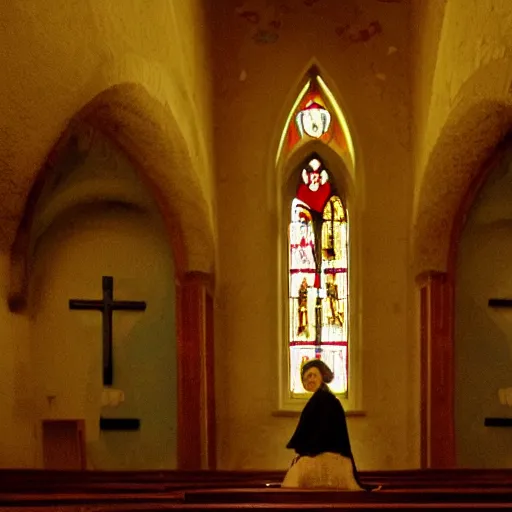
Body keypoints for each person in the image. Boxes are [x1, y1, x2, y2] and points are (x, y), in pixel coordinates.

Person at [282, 359, 376, 490]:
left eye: (313, 375)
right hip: (325, 456)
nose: (309, 380)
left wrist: (307, 451)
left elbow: (323, 432)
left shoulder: (324, 399)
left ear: (322, 376)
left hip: (326, 459)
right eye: (305, 379)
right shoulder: (324, 398)